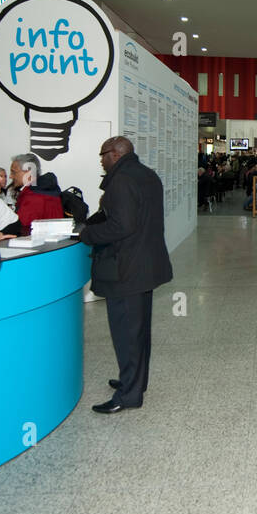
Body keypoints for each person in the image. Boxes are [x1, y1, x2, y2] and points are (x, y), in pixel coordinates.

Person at [83, 137, 173, 415]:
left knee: (126, 333)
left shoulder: (121, 180)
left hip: (126, 268)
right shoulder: (147, 174)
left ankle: (129, 394)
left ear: (116, 153)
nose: (101, 160)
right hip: (143, 266)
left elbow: (122, 225)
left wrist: (87, 234)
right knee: (138, 331)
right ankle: (133, 381)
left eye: (103, 154)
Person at [10, 152, 64, 234]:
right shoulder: (47, 190)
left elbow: (21, 228)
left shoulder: (33, 197)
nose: (11, 176)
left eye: (14, 172)